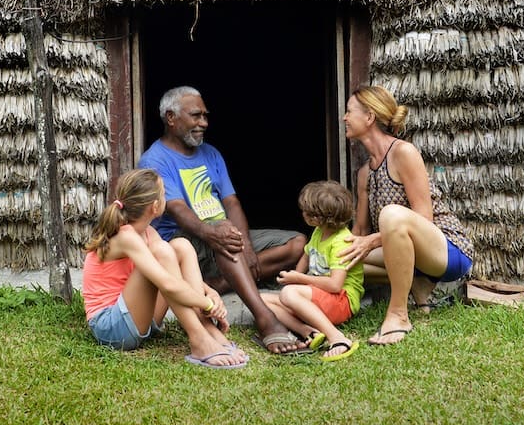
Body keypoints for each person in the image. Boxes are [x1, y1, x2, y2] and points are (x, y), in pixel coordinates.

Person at [138, 86, 308, 355]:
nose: (203, 123)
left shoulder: (211, 153)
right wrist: (215, 233)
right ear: (171, 118)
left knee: (298, 243)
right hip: (186, 247)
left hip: (224, 239)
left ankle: (224, 281)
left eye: (205, 116)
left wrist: (248, 248)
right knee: (224, 231)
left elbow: (231, 202)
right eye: (196, 116)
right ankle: (265, 318)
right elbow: (177, 209)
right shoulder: (155, 159)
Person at [338, 85, 474, 346]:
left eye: (348, 111)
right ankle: (418, 285)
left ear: (369, 117)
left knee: (391, 215)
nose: (344, 118)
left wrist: (371, 241)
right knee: (343, 259)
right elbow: (360, 232)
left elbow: (424, 217)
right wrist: (336, 254)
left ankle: (399, 315)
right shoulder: (365, 173)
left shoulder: (404, 153)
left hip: (446, 251)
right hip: (410, 252)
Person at [83, 168, 249, 368]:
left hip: (139, 319)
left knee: (181, 246)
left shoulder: (148, 232)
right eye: (164, 194)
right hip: (111, 328)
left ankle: (206, 328)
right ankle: (199, 340)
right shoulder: (125, 236)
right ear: (155, 206)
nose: (166, 197)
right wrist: (207, 304)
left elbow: (173, 273)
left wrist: (209, 292)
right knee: (162, 251)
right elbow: (168, 284)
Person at [261, 180, 364, 361]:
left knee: (289, 294)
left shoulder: (341, 242)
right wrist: (294, 276)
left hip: (342, 300)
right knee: (260, 300)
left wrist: (300, 279)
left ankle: (337, 338)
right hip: (320, 297)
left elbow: (335, 285)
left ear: (318, 217)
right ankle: (309, 332)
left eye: (305, 211)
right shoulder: (319, 231)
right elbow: (307, 255)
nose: (303, 214)